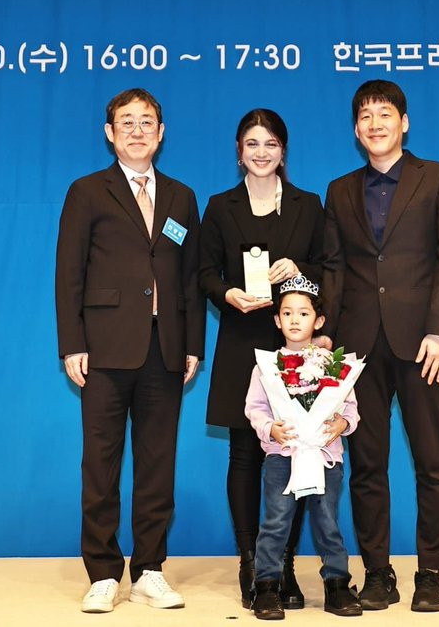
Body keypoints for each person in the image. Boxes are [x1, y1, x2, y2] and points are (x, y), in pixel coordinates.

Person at [319, 80, 439, 613]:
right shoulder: (340, 190)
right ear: (356, 130)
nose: (375, 123)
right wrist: (327, 335)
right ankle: (378, 573)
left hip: (423, 343)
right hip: (358, 349)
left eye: (384, 114)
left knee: (433, 462)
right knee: (367, 464)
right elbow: (334, 268)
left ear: (403, 122)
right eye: (365, 116)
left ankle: (432, 573)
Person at [55, 87, 205, 614]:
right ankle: (102, 573)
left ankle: (149, 570)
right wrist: (72, 343)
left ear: (161, 133)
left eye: (146, 122)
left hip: (165, 348)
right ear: (110, 133)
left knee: (157, 465)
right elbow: (68, 273)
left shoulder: (182, 197)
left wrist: (192, 344)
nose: (137, 130)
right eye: (127, 122)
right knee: (101, 465)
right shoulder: (87, 192)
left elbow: (190, 277)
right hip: (104, 349)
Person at [199, 108, 325, 608]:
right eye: (252, 143)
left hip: (292, 346)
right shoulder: (219, 206)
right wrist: (227, 294)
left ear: (283, 151)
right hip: (240, 342)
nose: (261, 152)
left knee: (294, 452)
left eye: (270, 143)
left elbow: (325, 274)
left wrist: (300, 271)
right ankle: (251, 562)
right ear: (238, 151)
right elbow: (203, 272)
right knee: (245, 455)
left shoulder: (308, 205)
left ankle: (284, 562)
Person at [244, 275, 363, 620]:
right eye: (287, 313)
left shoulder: (334, 366)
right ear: (277, 320)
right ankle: (267, 586)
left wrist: (342, 424)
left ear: (319, 320)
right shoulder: (266, 367)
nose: (295, 320)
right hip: (283, 457)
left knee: (328, 523)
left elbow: (350, 408)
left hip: (326, 457)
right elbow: (255, 408)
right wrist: (271, 428)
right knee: (276, 522)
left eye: (304, 313)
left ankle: (337, 584)